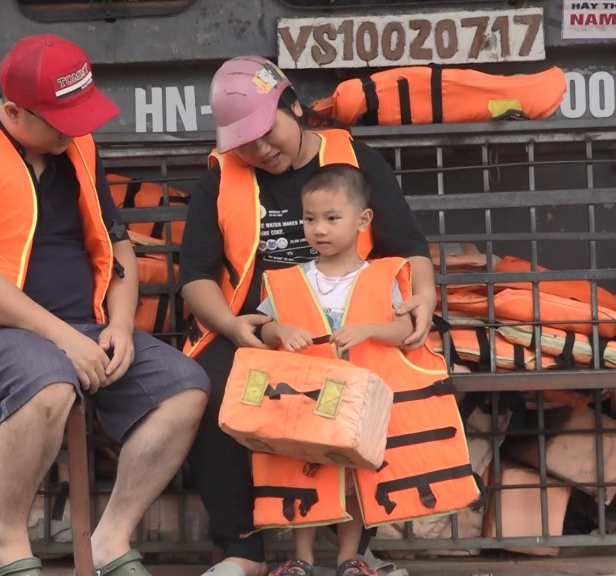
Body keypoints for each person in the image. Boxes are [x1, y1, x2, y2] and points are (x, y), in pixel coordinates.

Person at [0, 34, 209, 576]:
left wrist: (118, 323)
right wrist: (66, 339)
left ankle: (110, 538)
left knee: (186, 388)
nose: (73, 129)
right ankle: (9, 541)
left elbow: (117, 245)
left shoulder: (78, 147)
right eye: (59, 120)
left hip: (84, 329)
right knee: (49, 383)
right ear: (11, 111)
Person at [180, 56, 436, 576]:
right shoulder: (219, 180)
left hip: (347, 322)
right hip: (257, 327)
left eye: (267, 132)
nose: (260, 149)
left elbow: (408, 245)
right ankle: (241, 550)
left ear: (293, 106)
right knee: (213, 386)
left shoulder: (355, 162)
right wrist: (234, 327)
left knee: (369, 382)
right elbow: (196, 276)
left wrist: (424, 296)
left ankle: (353, 549)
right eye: (245, 141)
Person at [256, 164, 409, 576]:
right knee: (303, 472)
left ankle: (350, 558)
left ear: (363, 221)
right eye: (309, 219)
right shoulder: (293, 278)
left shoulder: (380, 275)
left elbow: (405, 329)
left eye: (331, 218)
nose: (318, 229)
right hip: (306, 400)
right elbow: (264, 323)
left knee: (358, 476)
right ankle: (301, 559)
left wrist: (369, 329)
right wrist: (279, 329)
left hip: (360, 400)